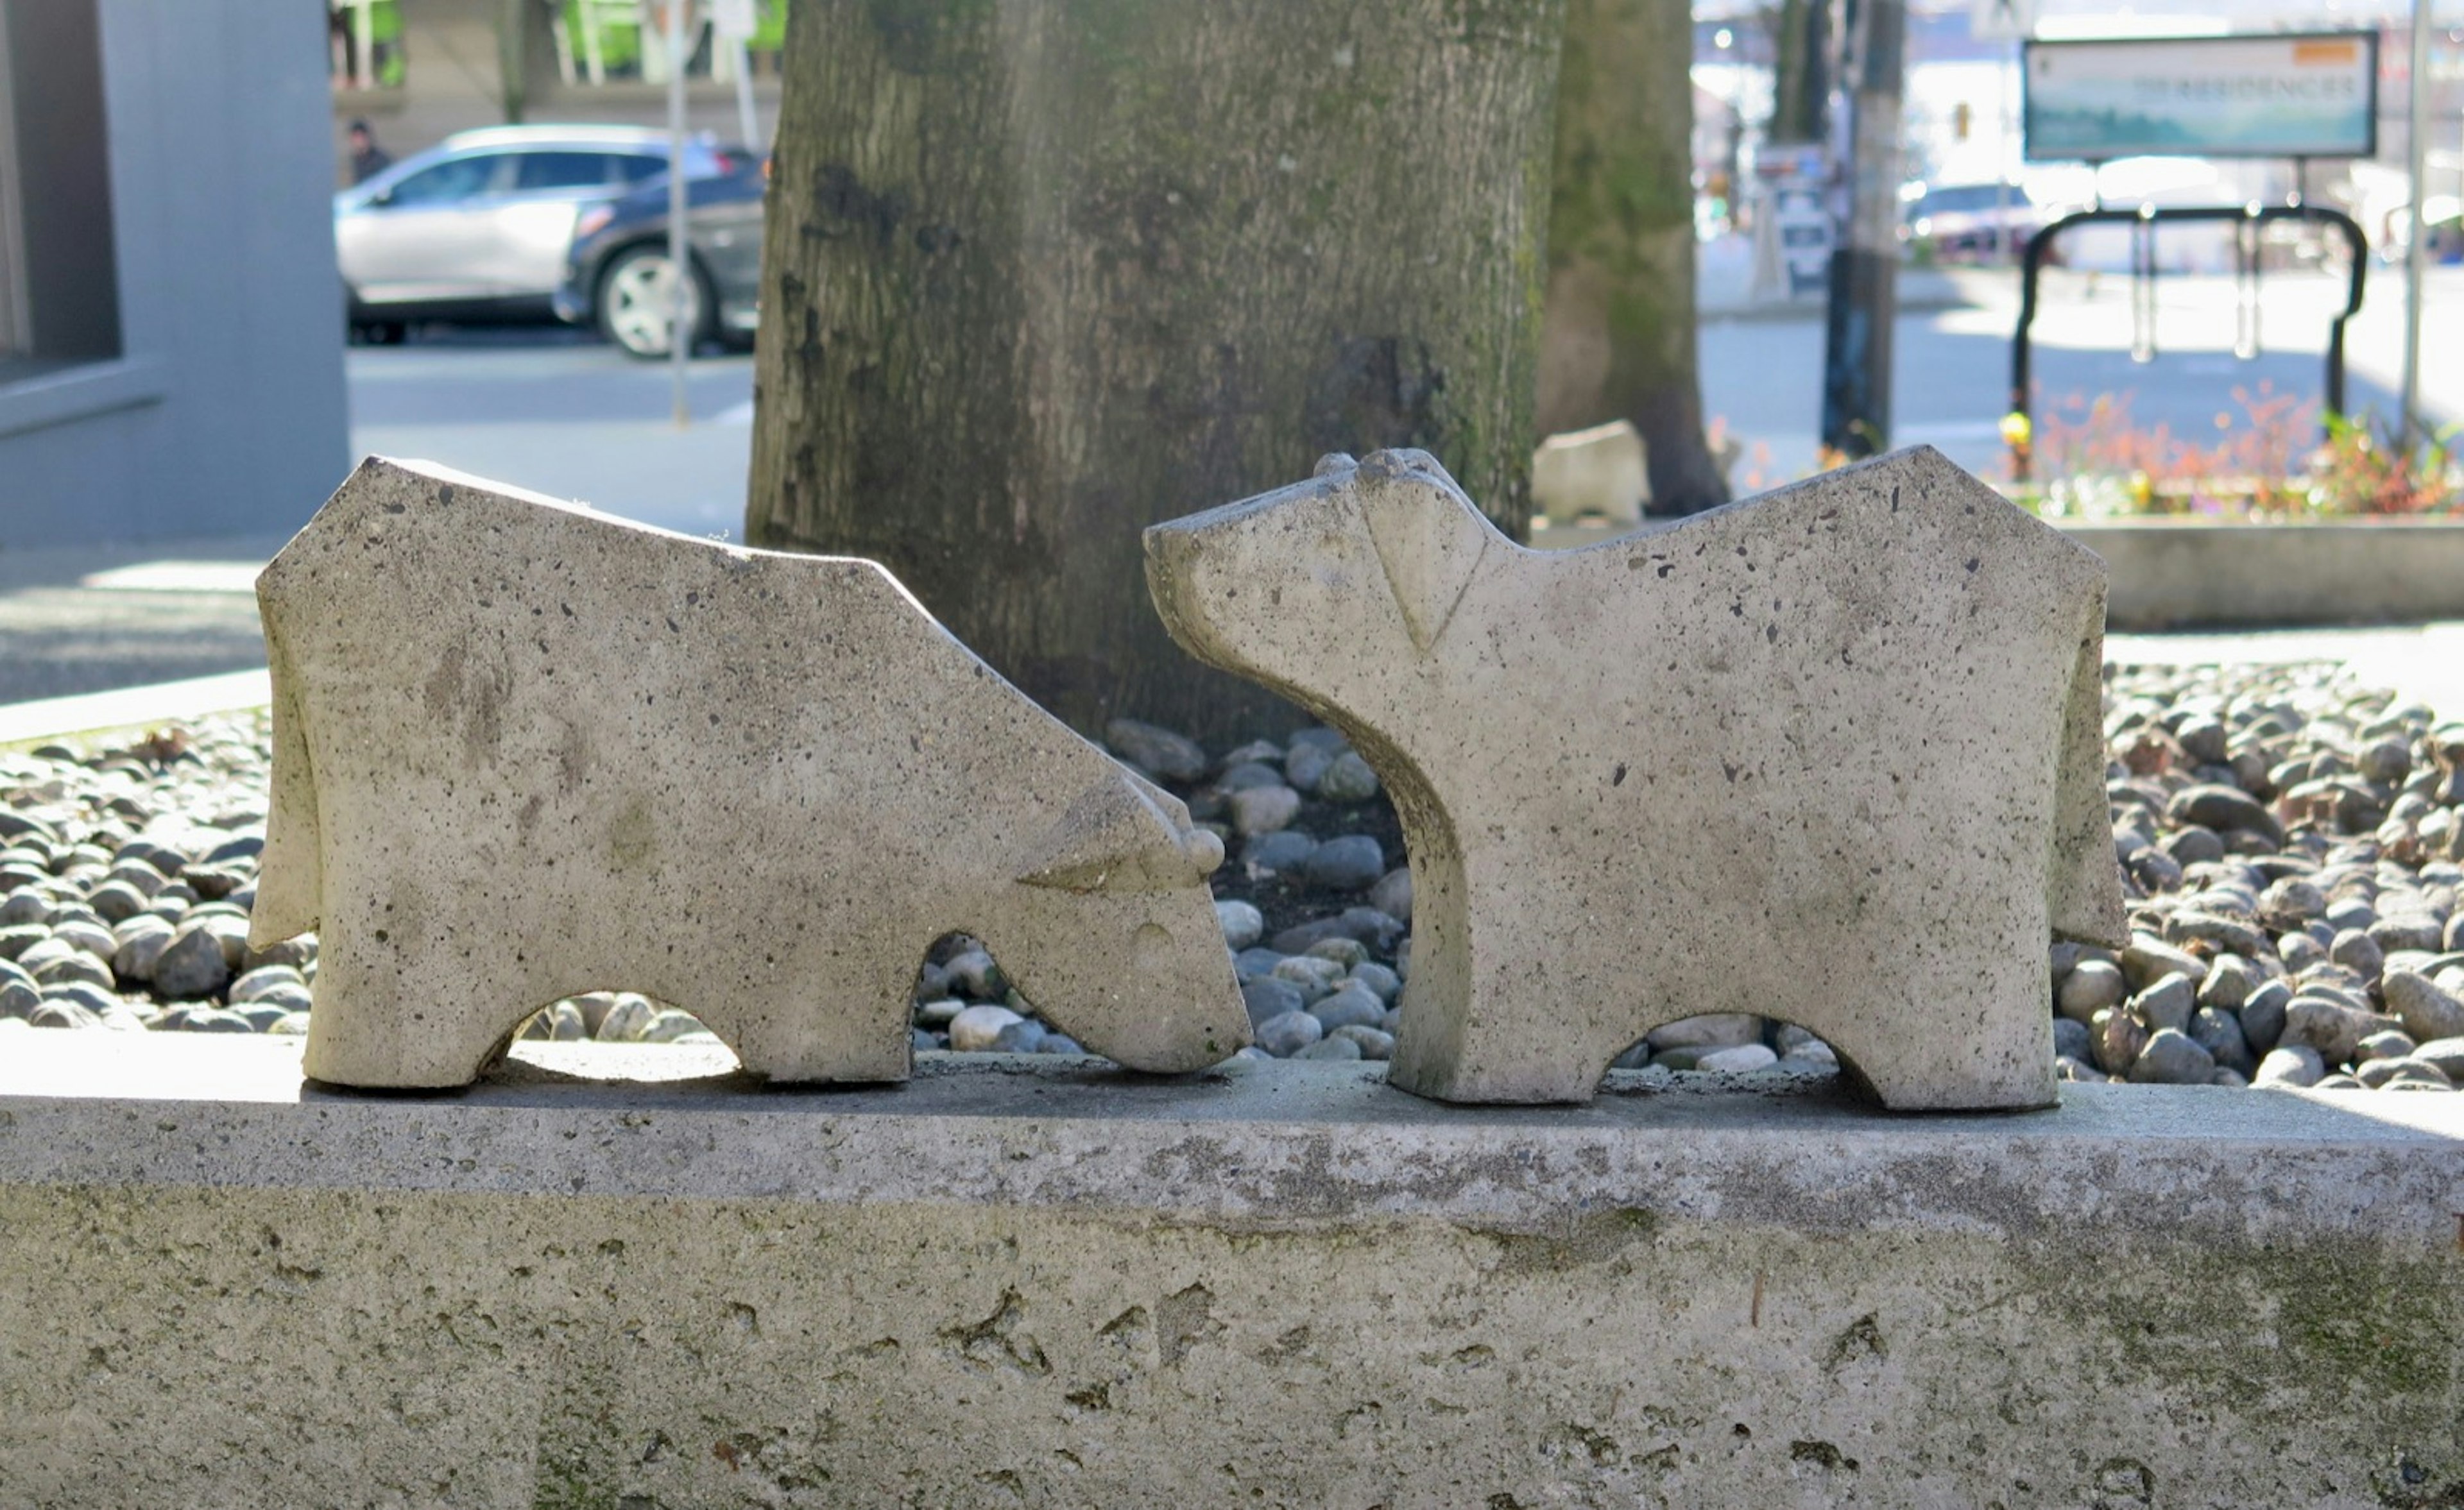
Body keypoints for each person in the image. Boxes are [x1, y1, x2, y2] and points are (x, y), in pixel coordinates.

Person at [348, 119, 392, 185]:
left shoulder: (381, 159)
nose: (360, 139)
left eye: (362, 135)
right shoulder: (356, 160)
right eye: (356, 136)